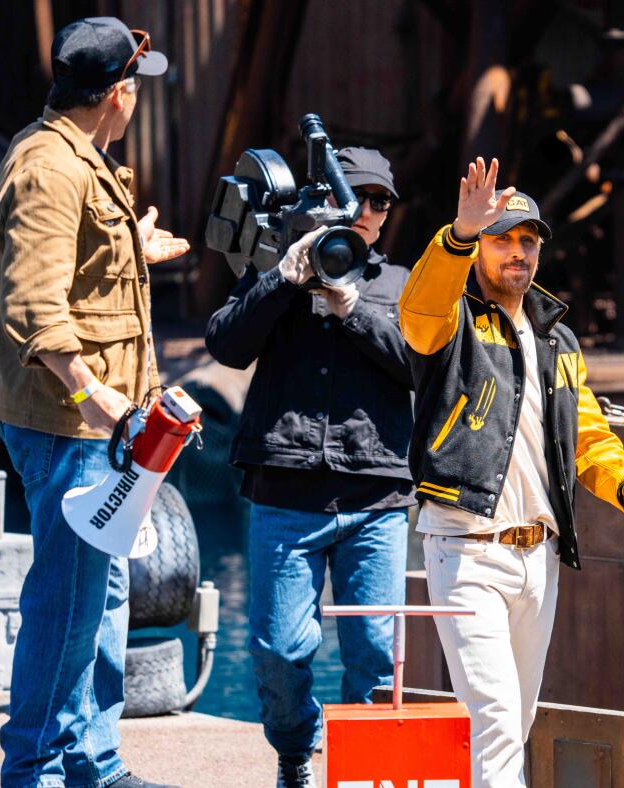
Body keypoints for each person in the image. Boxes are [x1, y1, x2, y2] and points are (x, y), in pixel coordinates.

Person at [0, 17, 188, 788]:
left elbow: (73, 267)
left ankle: (93, 761)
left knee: (106, 591)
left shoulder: (74, 154)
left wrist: (135, 250)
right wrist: (94, 399)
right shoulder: (50, 169)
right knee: (66, 603)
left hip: (100, 425)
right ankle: (35, 770)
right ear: (118, 95)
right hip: (68, 424)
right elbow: (35, 306)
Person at [399, 157, 624, 786]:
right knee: (492, 718)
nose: (517, 252)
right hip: (466, 552)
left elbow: (587, 434)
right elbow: (417, 313)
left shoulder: (556, 339)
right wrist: (458, 235)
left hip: (538, 559)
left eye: (527, 240)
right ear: (480, 248)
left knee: (515, 724)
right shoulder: (452, 317)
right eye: (502, 239)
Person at [205, 147, 413, 787]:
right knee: (277, 650)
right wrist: (283, 281)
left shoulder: (400, 283)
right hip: (285, 487)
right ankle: (296, 749)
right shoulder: (280, 268)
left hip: (376, 493)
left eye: (380, 201)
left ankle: (363, 772)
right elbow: (225, 344)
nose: (369, 212)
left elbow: (422, 365)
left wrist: (356, 312)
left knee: (377, 654)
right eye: (359, 197)